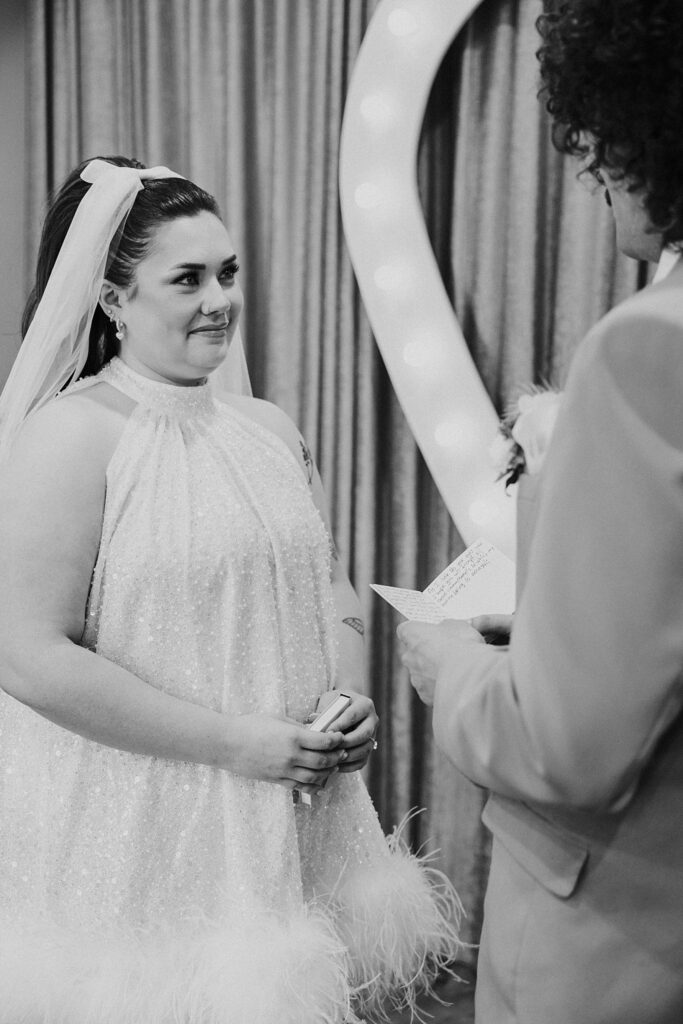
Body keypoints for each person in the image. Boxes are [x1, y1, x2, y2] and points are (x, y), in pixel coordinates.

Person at [0, 156, 460, 1024]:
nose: (219, 299)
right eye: (187, 279)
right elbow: (27, 656)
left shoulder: (267, 429)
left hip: (286, 809)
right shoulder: (69, 439)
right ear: (111, 301)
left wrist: (346, 691)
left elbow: (324, 584)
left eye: (227, 273)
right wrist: (230, 744)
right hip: (140, 828)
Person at [398, 2, 683, 1023]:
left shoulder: (646, 349)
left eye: (593, 140)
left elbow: (565, 747)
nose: (582, 167)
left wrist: (446, 662)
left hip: (616, 929)